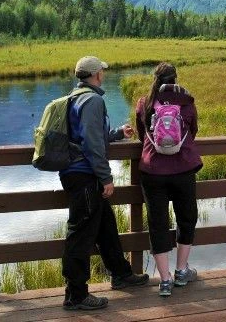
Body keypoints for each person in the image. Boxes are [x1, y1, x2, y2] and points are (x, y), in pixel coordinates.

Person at [59, 55, 149, 311]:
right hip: (85, 175)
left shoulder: (75, 96)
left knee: (105, 226)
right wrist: (105, 177)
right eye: (102, 71)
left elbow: (88, 136)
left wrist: (117, 134)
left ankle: (121, 273)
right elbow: (91, 143)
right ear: (96, 74)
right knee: (80, 235)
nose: (104, 74)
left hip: (77, 172)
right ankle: (75, 295)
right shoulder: (93, 100)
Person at [134, 62, 203, 297]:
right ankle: (181, 271)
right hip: (183, 169)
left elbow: (143, 134)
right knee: (187, 217)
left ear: (155, 79)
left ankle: (165, 281)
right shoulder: (186, 102)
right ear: (176, 79)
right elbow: (193, 132)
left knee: (157, 223)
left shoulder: (145, 103)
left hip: (152, 171)